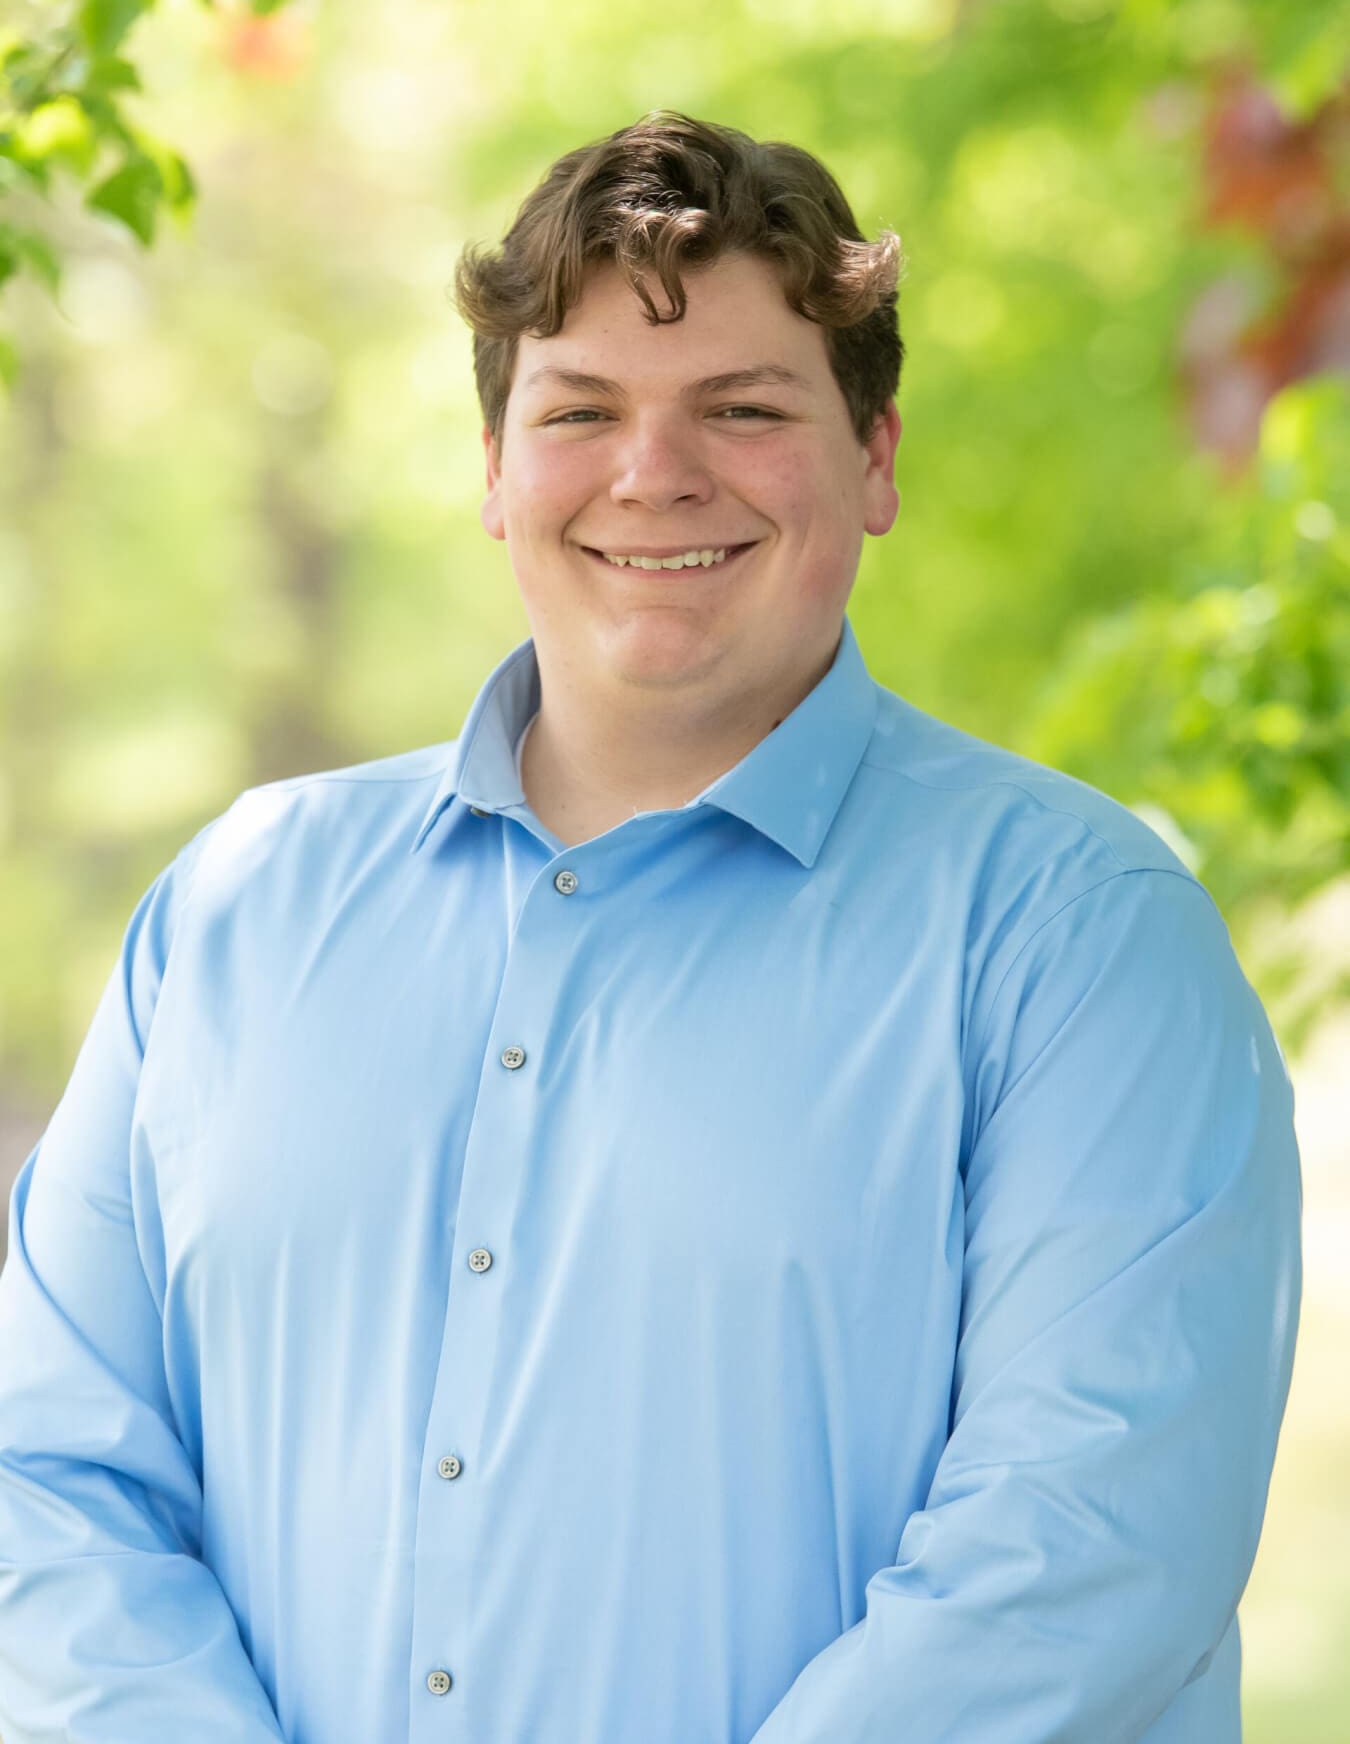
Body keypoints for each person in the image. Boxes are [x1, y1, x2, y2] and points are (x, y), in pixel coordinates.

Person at [0, 110, 1302, 1743]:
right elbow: (45, 1479)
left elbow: (1083, 1559)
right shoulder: (231, 914)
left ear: (875, 457)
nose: (652, 473)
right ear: (492, 468)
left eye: (743, 409)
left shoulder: (1079, 940)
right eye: (581, 410)